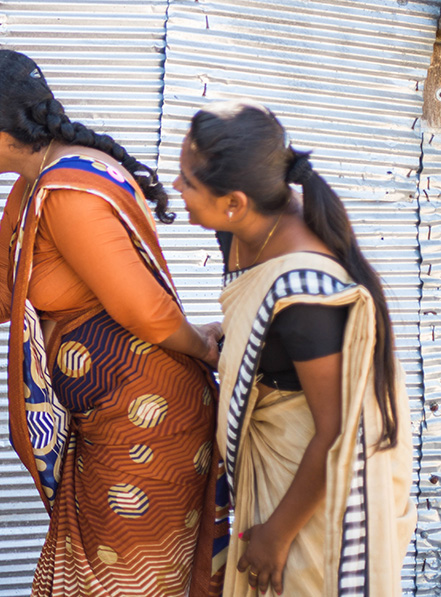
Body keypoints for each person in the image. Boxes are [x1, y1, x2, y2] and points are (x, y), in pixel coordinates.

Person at [0, 49, 227, 596]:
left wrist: (205, 349)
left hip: (145, 422)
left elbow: (143, 310)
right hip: (107, 418)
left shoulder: (67, 194)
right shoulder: (35, 184)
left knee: (123, 581)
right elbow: (0, 299)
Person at [173, 100, 415, 596]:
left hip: (311, 492)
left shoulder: (307, 294)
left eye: (188, 181)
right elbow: (255, 321)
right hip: (283, 472)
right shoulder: (241, 230)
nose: (177, 188)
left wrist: (277, 536)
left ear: (234, 202)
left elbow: (335, 431)